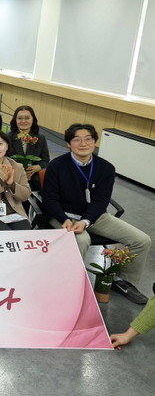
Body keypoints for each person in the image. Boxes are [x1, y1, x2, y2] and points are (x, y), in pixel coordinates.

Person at [42, 123, 151, 304]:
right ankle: (70, 284)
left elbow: (101, 201)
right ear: (69, 143)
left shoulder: (106, 168)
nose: (83, 143)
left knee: (142, 240)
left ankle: (123, 281)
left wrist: (86, 221)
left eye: (88, 139)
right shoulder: (57, 165)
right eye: (77, 139)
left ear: (94, 142)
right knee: (82, 240)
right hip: (64, 216)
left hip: (95, 216)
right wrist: (64, 218)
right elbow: (50, 199)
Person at [7, 105, 50, 191]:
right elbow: (3, 159)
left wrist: (38, 167)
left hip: (34, 177)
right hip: (12, 176)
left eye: (27, 118)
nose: (23, 121)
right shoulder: (7, 137)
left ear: (33, 119)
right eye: (20, 118)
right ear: (15, 120)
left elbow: (46, 160)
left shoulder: (40, 138)